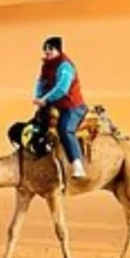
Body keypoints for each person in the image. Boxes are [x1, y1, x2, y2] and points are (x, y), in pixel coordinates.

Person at [34, 36, 89, 179]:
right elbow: (40, 82)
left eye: (50, 49)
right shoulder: (47, 66)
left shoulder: (65, 67)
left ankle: (77, 165)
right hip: (54, 105)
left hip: (72, 107)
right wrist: (38, 96)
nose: (47, 52)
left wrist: (45, 99)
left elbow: (62, 88)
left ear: (58, 50)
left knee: (65, 129)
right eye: (45, 49)